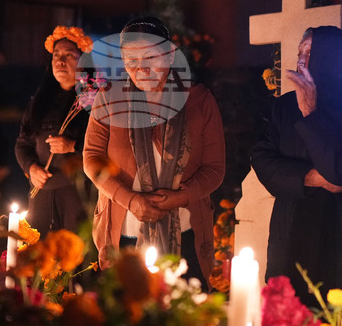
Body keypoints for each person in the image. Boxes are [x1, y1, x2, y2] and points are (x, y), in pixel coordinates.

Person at [84, 17, 225, 285]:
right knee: (128, 307)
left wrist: (182, 197)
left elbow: (214, 169)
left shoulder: (198, 101)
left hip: (185, 233)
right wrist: (130, 200)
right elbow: (92, 159)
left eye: (150, 57)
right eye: (131, 60)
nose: (141, 69)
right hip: (125, 232)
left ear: (170, 54)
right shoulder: (110, 97)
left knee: (183, 307)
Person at [252, 26, 342, 308]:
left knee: (337, 322)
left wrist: (310, 112)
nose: (301, 60)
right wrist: (310, 177)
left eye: (309, 52)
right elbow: (262, 158)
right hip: (290, 228)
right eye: (299, 52)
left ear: (331, 58)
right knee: (288, 319)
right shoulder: (283, 106)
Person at [15, 26, 94, 236]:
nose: (60, 61)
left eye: (69, 55)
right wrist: (31, 167)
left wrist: (73, 146)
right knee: (39, 250)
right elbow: (23, 143)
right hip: (41, 191)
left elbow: (108, 146)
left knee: (75, 251)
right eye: (56, 55)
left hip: (78, 192)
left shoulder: (94, 100)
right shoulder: (40, 100)